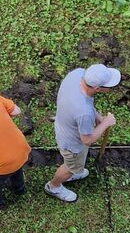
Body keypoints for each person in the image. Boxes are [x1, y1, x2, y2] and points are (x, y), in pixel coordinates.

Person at [44, 63, 121, 203]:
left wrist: (98, 117)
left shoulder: (78, 74)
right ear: (97, 88)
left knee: (76, 165)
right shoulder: (83, 112)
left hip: (64, 123)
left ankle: (75, 170)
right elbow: (87, 140)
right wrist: (106, 123)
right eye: (109, 86)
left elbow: (87, 106)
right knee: (70, 167)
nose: (111, 88)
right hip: (71, 143)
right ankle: (54, 186)